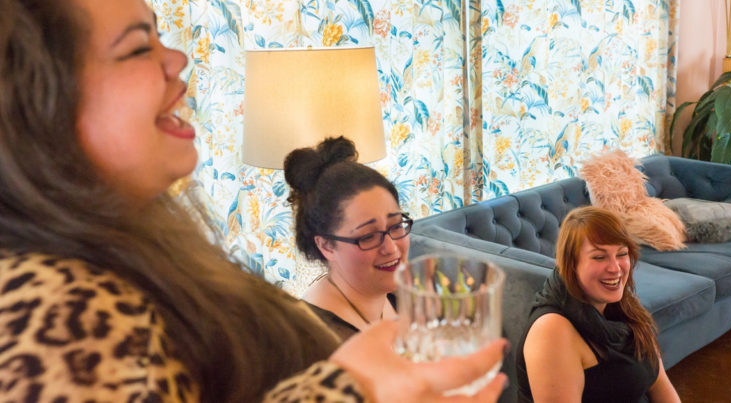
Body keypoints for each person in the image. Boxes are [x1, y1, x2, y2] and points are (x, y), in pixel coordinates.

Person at [0, 0, 507, 402]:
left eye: (396, 225)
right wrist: (350, 390)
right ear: (39, 102)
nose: (177, 59)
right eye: (137, 48)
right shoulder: (50, 309)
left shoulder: (148, 251)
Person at [516, 206, 680, 402]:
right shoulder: (552, 331)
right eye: (599, 257)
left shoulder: (625, 308)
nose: (615, 268)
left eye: (621, 254)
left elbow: (660, 384)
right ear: (571, 265)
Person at [284, 136, 406, 341]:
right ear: (326, 245)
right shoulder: (317, 339)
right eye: (368, 236)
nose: (391, 248)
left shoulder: (402, 295)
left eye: (395, 226)